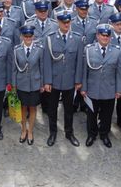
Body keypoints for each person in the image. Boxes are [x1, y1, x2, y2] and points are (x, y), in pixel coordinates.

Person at [43, 12, 83, 147]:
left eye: (68, 22)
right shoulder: (50, 39)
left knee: (69, 108)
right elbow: (47, 62)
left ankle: (69, 132)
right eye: (63, 22)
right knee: (52, 108)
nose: (66, 25)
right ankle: (53, 132)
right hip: (54, 80)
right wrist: (47, 81)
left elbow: (79, 62)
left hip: (69, 80)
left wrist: (78, 80)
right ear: (58, 23)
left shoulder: (77, 39)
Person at [80, 23, 121, 148]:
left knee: (107, 115)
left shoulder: (117, 51)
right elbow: (84, 71)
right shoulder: (89, 49)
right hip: (92, 89)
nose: (105, 38)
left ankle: (104, 134)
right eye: (102, 35)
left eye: (107, 36)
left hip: (109, 89)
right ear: (97, 36)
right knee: (91, 114)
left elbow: (119, 72)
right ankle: (91, 134)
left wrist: (119, 89)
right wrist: (84, 88)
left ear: (110, 37)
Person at [12, 25, 44, 145]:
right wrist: (14, 85)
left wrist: (42, 84)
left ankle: (30, 131)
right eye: (26, 36)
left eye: (30, 36)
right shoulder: (16, 50)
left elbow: (42, 67)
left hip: (35, 83)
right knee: (23, 108)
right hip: (21, 84)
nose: (28, 38)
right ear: (21, 37)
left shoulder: (39, 49)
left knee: (33, 108)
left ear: (33, 36)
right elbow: (14, 69)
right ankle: (23, 130)